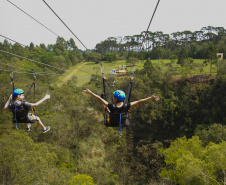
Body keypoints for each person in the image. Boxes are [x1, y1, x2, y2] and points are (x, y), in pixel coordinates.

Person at [83, 89, 160, 127]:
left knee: (107, 109)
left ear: (115, 99)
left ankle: (106, 106)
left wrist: (90, 92)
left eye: (114, 97)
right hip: (123, 123)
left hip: (111, 122)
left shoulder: (111, 106)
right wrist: (150, 98)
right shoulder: (127, 106)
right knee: (108, 108)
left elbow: (99, 99)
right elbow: (139, 101)